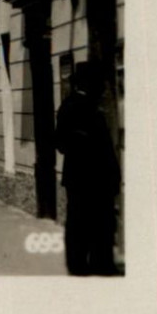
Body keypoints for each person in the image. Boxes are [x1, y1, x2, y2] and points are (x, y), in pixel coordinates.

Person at [56, 62, 121, 275]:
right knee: (81, 223)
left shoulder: (91, 106)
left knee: (93, 222)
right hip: (83, 177)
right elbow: (61, 142)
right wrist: (83, 140)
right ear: (88, 83)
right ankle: (80, 266)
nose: (102, 87)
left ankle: (94, 264)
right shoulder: (72, 106)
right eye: (99, 83)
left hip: (92, 178)